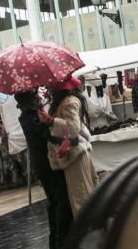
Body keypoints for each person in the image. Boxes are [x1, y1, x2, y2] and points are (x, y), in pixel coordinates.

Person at [15, 90, 73, 249]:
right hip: (47, 163)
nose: (38, 98)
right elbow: (49, 135)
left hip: (41, 164)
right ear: (31, 100)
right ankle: (61, 242)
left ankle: (55, 242)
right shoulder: (33, 117)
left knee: (54, 201)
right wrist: (65, 138)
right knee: (61, 201)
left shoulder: (26, 116)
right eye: (35, 96)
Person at [39, 82, 99, 215]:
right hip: (76, 153)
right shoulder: (65, 101)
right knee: (86, 193)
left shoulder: (68, 102)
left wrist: (51, 121)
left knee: (81, 196)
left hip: (75, 155)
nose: (49, 88)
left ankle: (88, 230)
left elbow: (72, 128)